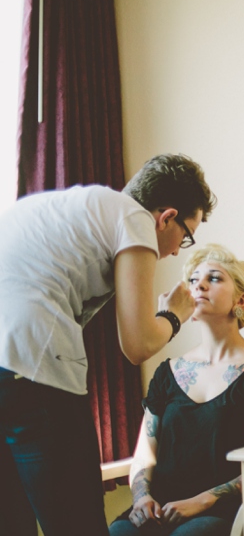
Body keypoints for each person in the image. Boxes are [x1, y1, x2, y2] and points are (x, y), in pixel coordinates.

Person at [0, 154, 216, 536]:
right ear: (165, 217)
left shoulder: (57, 208)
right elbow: (138, 345)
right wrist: (174, 314)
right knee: (77, 524)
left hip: (8, 369)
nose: (174, 251)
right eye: (184, 235)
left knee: (12, 521)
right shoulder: (133, 217)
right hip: (34, 369)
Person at [109, 244, 244, 536]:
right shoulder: (167, 372)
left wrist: (202, 500)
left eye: (215, 278)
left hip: (227, 511)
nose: (199, 285)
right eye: (194, 280)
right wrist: (141, 497)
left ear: (242, 299)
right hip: (157, 509)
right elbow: (145, 454)